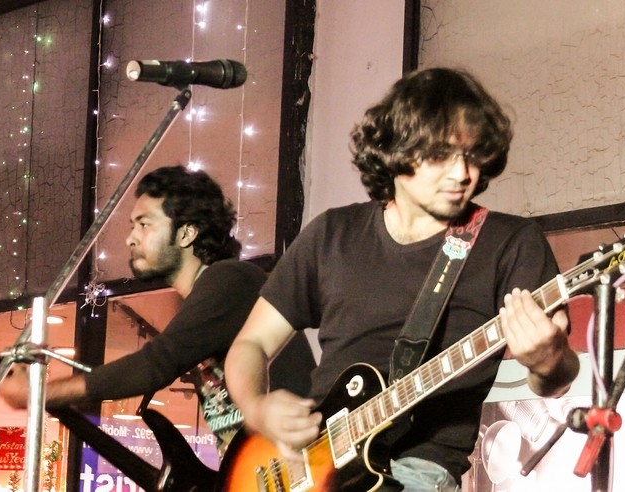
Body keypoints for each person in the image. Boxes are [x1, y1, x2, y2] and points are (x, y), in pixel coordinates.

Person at [224, 68, 580, 491]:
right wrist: (257, 409)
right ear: (396, 149)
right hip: (308, 464)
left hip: (417, 471)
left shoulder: (511, 243)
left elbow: (559, 378)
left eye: (472, 156)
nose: (462, 174)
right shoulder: (332, 234)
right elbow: (251, 344)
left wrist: (547, 361)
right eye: (442, 155)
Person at [0, 165, 314, 455]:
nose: (130, 238)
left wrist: (38, 393)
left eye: (145, 224)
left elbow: (155, 364)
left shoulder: (230, 279)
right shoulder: (207, 297)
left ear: (187, 233)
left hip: (300, 460)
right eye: (133, 226)